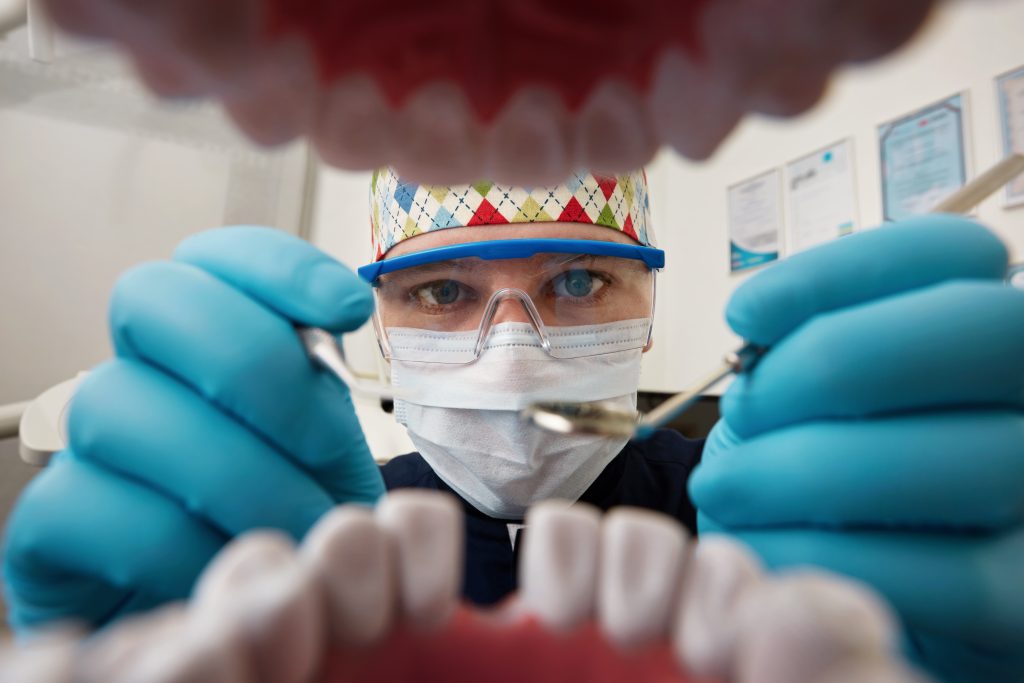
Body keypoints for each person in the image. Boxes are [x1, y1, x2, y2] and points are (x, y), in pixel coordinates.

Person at [4, 168, 1023, 683]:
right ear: (377, 325)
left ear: (648, 301)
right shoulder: (310, 538)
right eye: (442, 291)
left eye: (575, 281)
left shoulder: (758, 509)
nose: (512, 351)